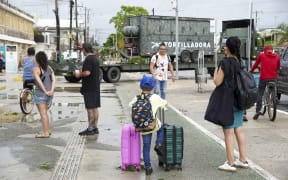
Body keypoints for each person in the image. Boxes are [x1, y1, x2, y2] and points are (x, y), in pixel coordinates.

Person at [214, 36, 248, 172]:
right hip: (240, 99)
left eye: (225, 45)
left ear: (228, 47)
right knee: (239, 129)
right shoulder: (241, 61)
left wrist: (218, 67)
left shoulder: (225, 62)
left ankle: (230, 163)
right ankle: (243, 160)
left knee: (228, 131)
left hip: (228, 101)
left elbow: (217, 82)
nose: (224, 47)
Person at [129, 75, 167, 175]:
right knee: (161, 127)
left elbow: (130, 106)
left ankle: (148, 168)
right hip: (152, 124)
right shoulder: (155, 97)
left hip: (142, 126)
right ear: (153, 87)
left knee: (146, 147)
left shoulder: (136, 98)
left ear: (141, 87)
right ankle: (158, 144)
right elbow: (164, 103)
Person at [74, 43, 100, 136]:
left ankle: (90, 128)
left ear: (84, 49)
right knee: (95, 108)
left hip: (89, 88)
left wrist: (79, 74)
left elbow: (88, 73)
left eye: (82, 50)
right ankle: (95, 127)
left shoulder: (88, 59)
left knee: (90, 109)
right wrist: (83, 70)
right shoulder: (95, 58)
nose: (82, 51)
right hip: (95, 87)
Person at [250, 44, 280, 120]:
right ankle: (274, 97)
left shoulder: (261, 56)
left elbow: (255, 65)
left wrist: (250, 71)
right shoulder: (277, 57)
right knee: (273, 87)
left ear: (264, 50)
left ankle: (258, 111)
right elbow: (278, 68)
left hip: (263, 78)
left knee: (260, 93)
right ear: (272, 50)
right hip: (273, 77)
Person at [33, 51, 55, 138]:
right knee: (45, 113)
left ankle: (45, 133)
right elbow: (53, 80)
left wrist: (45, 91)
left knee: (43, 114)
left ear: (37, 59)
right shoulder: (49, 68)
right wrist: (51, 91)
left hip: (40, 94)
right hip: (50, 94)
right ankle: (47, 130)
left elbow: (39, 82)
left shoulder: (36, 69)